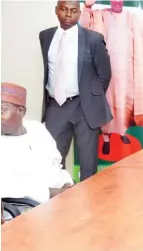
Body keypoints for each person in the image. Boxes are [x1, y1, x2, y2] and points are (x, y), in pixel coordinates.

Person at [39, 0, 112, 181]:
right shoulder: (45, 37)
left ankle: (89, 206)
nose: (68, 15)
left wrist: (90, 98)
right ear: (57, 11)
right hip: (56, 106)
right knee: (52, 162)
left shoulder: (93, 39)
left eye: (73, 11)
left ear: (79, 14)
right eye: (64, 10)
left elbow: (105, 75)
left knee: (88, 164)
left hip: (84, 106)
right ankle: (57, 205)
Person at [80, 0, 143, 155]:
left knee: (124, 104)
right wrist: (87, 7)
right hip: (106, 72)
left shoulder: (133, 17)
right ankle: (106, 138)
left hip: (128, 72)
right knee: (108, 104)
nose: (117, 2)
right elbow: (84, 24)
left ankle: (122, 133)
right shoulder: (100, 16)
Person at [1, 82, 73, 204]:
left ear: (21, 111)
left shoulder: (37, 129)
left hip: (61, 200)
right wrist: (52, 192)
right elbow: (8, 185)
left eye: (2, 110)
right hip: (27, 209)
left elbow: (56, 164)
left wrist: (67, 183)